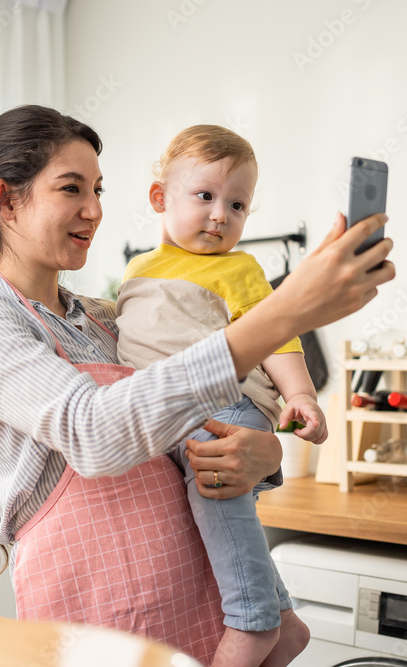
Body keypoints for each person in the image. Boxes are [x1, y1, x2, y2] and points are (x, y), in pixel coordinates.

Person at [0, 105, 393, 665]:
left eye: (98, 188)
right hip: (103, 608)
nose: (94, 210)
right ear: (6, 199)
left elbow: (194, 416)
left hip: (196, 594)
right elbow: (93, 431)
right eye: (71, 188)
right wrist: (285, 311)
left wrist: (264, 451)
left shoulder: (109, 319)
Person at [116, 125, 326, 666]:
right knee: (233, 526)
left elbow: (276, 331)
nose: (220, 214)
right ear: (160, 198)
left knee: (217, 508)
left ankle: (252, 621)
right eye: (205, 196)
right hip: (171, 414)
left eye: (237, 205)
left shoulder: (238, 267)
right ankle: (283, 623)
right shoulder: (137, 270)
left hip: (220, 413)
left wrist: (300, 393)